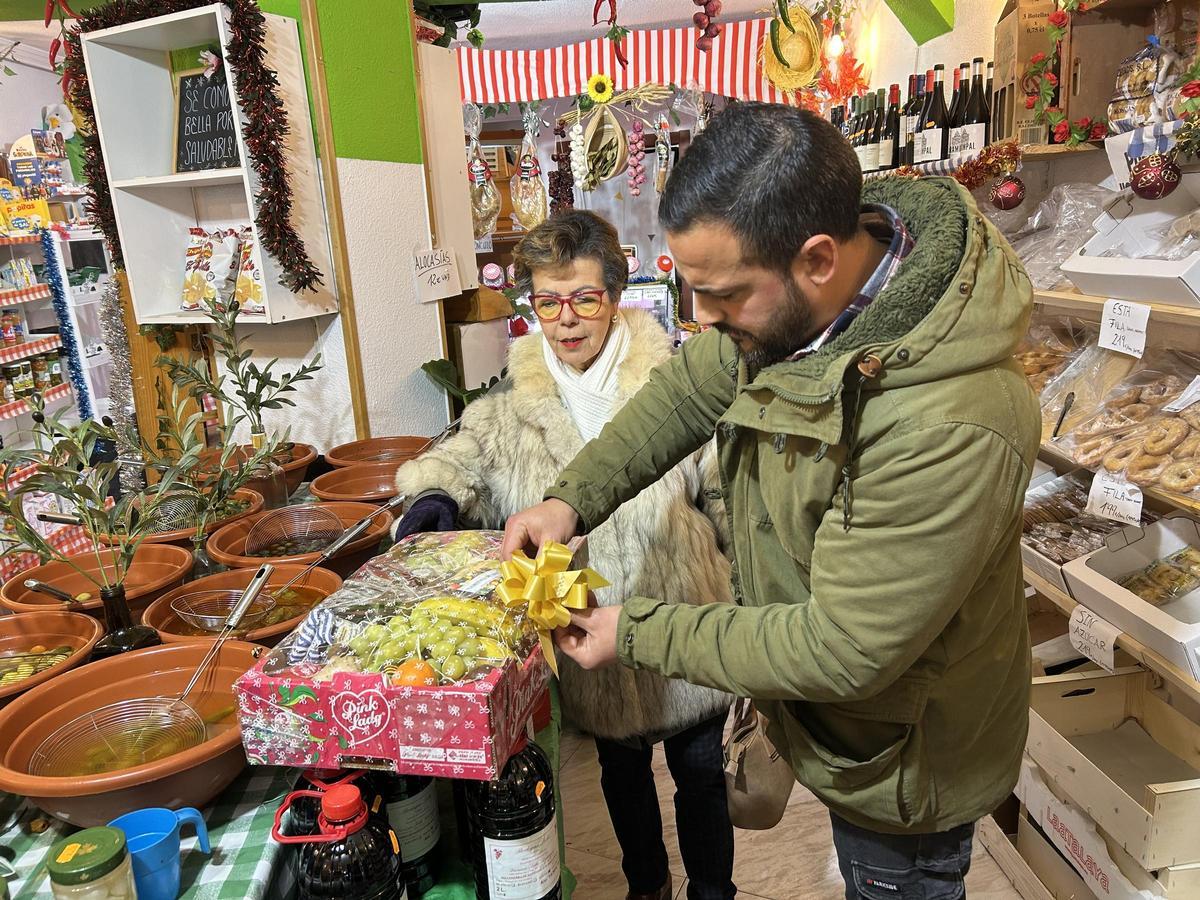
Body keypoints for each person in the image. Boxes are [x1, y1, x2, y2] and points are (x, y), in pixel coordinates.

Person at [502, 104, 1041, 900]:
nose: (703, 322)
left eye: (722, 297)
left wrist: (636, 630)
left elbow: (845, 646)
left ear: (818, 259)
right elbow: (687, 394)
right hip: (840, 723)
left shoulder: (950, 420)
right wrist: (569, 501)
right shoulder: (793, 311)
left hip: (907, 756)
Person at [393, 209, 737, 900]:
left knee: (701, 773)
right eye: (548, 303)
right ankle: (648, 886)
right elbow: (456, 460)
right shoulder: (509, 405)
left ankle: (712, 891)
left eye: (585, 298)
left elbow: (726, 491)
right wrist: (432, 501)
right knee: (622, 774)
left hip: (685, 618)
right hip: (586, 636)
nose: (568, 320)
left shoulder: (674, 387)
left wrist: (754, 596)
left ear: (615, 293)